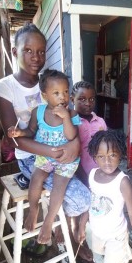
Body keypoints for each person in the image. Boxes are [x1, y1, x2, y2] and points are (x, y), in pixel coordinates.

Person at [0, 23, 91, 259]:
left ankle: (70, 232)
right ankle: (58, 227)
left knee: (77, 190)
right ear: (15, 52)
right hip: (33, 157)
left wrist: (73, 146)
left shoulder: (54, 83)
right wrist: (53, 150)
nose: (36, 57)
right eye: (28, 50)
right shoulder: (4, 87)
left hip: (64, 153)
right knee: (80, 197)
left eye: (41, 51)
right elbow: (15, 138)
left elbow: (73, 120)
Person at [7, 69, 81, 244]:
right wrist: (19, 132)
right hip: (45, 158)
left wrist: (65, 119)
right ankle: (34, 210)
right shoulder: (38, 112)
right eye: (56, 93)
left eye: (65, 92)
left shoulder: (71, 114)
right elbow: (31, 131)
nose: (62, 97)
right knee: (36, 179)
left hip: (65, 160)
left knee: (59, 187)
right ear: (45, 95)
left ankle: (48, 222)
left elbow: (71, 136)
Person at [77, 130, 132, 263]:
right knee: (102, 255)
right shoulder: (92, 175)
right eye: (101, 156)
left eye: (112, 155)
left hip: (116, 235)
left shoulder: (123, 182)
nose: (107, 161)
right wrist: (82, 226)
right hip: (97, 231)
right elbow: (90, 202)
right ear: (94, 157)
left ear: (120, 154)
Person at [71, 81, 107, 188]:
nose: (88, 103)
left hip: (100, 173)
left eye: (91, 99)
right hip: (79, 176)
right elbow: (73, 156)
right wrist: (85, 181)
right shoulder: (71, 124)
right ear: (72, 100)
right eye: (82, 99)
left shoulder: (100, 122)